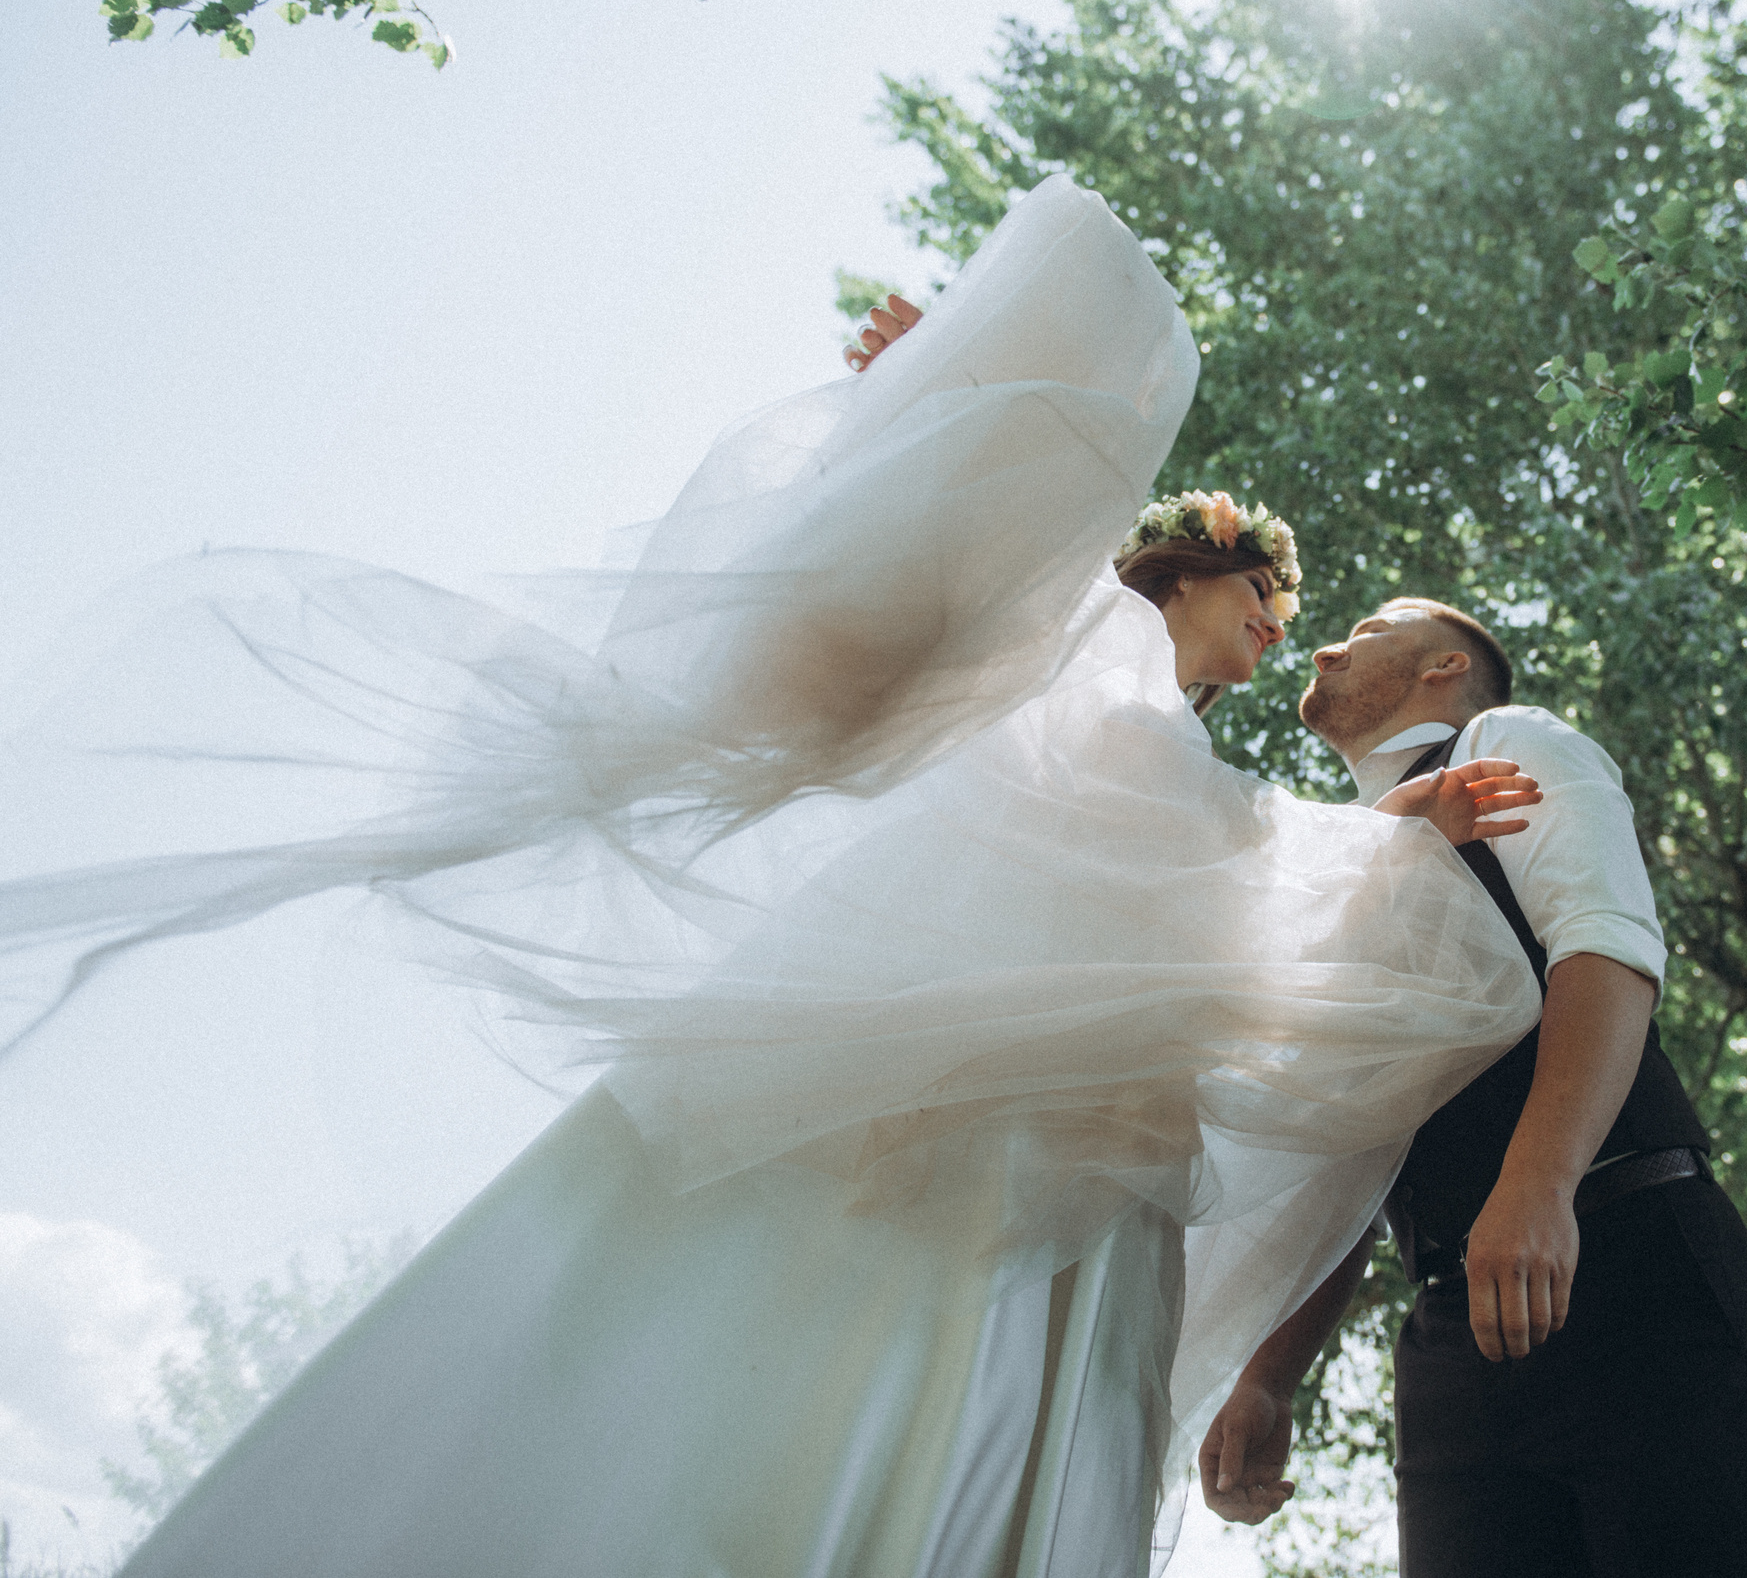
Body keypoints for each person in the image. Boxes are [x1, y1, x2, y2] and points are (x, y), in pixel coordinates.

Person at [0, 178, 1552, 1576]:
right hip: (949, 1118)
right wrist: (942, 398)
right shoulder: (1077, 651)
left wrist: (1388, 840)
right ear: (1178, 574)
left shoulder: (1163, 735)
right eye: (1259, 594)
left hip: (1097, 1150)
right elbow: (1057, 667)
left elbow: (1221, 888)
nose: (1279, 623)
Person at [1193, 597, 1747, 1577]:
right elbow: (1353, 1142)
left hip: (1632, 1274)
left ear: (1443, 663)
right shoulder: (1335, 871)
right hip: (1451, 1343)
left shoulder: (1505, 740)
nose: (1329, 642)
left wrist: (1541, 1177)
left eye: (1374, 625)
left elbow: (1606, 944)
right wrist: (1270, 1373)